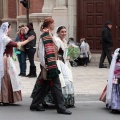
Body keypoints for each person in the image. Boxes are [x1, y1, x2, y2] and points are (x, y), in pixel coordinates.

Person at [30, 18, 72, 115]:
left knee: (43, 86)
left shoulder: (48, 35)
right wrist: (47, 66)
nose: (54, 25)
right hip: (50, 66)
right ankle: (61, 108)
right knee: (56, 86)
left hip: (49, 64)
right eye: (53, 24)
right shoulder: (46, 36)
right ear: (49, 25)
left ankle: (34, 105)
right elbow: (41, 52)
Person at [0, 22, 35, 104]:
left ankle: (5, 97)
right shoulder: (5, 38)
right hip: (6, 59)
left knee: (7, 77)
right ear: (6, 29)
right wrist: (28, 40)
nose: (10, 29)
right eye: (10, 28)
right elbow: (17, 44)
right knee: (7, 78)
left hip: (4, 58)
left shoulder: (2, 37)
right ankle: (5, 98)